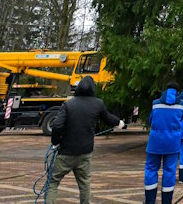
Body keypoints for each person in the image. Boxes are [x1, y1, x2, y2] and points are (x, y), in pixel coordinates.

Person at [45, 75, 124, 204]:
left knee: (53, 181)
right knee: (84, 184)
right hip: (85, 153)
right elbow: (108, 118)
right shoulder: (98, 103)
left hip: (66, 152)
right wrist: (119, 122)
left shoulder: (68, 104)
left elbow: (57, 125)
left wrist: (55, 143)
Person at [144, 83, 183, 204]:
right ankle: (166, 201)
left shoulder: (156, 103)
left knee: (151, 170)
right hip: (172, 143)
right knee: (169, 171)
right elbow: (181, 119)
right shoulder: (181, 105)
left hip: (155, 143)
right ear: (178, 91)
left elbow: (150, 120)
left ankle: (150, 201)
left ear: (165, 90)